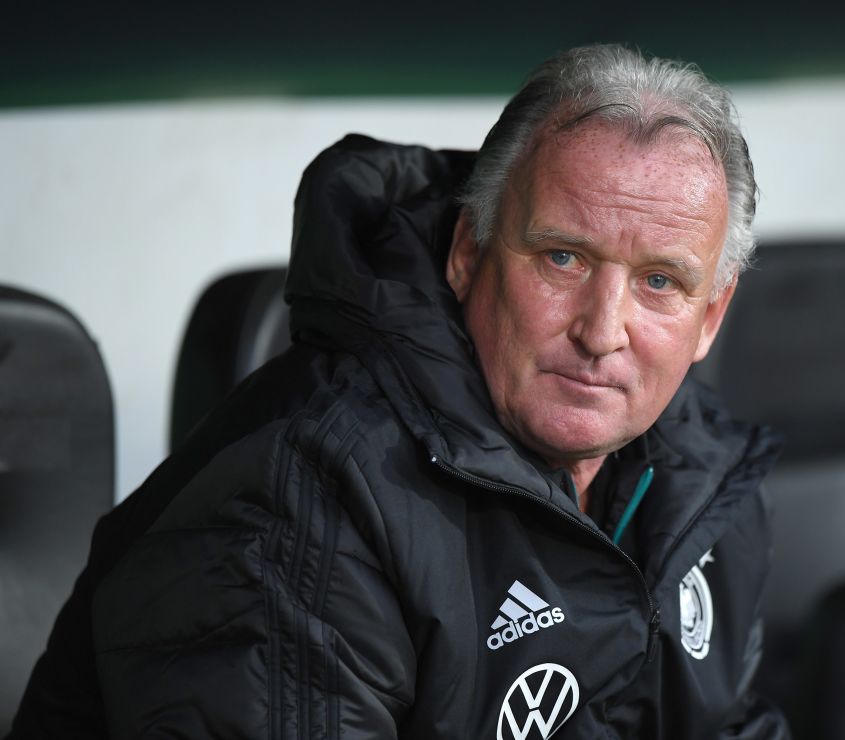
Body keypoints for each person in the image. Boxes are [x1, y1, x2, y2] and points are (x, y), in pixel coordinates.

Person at [10, 44, 787, 739]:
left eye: (660, 281)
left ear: (710, 315)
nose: (603, 329)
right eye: (562, 258)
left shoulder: (703, 476)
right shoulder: (293, 505)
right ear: (468, 253)